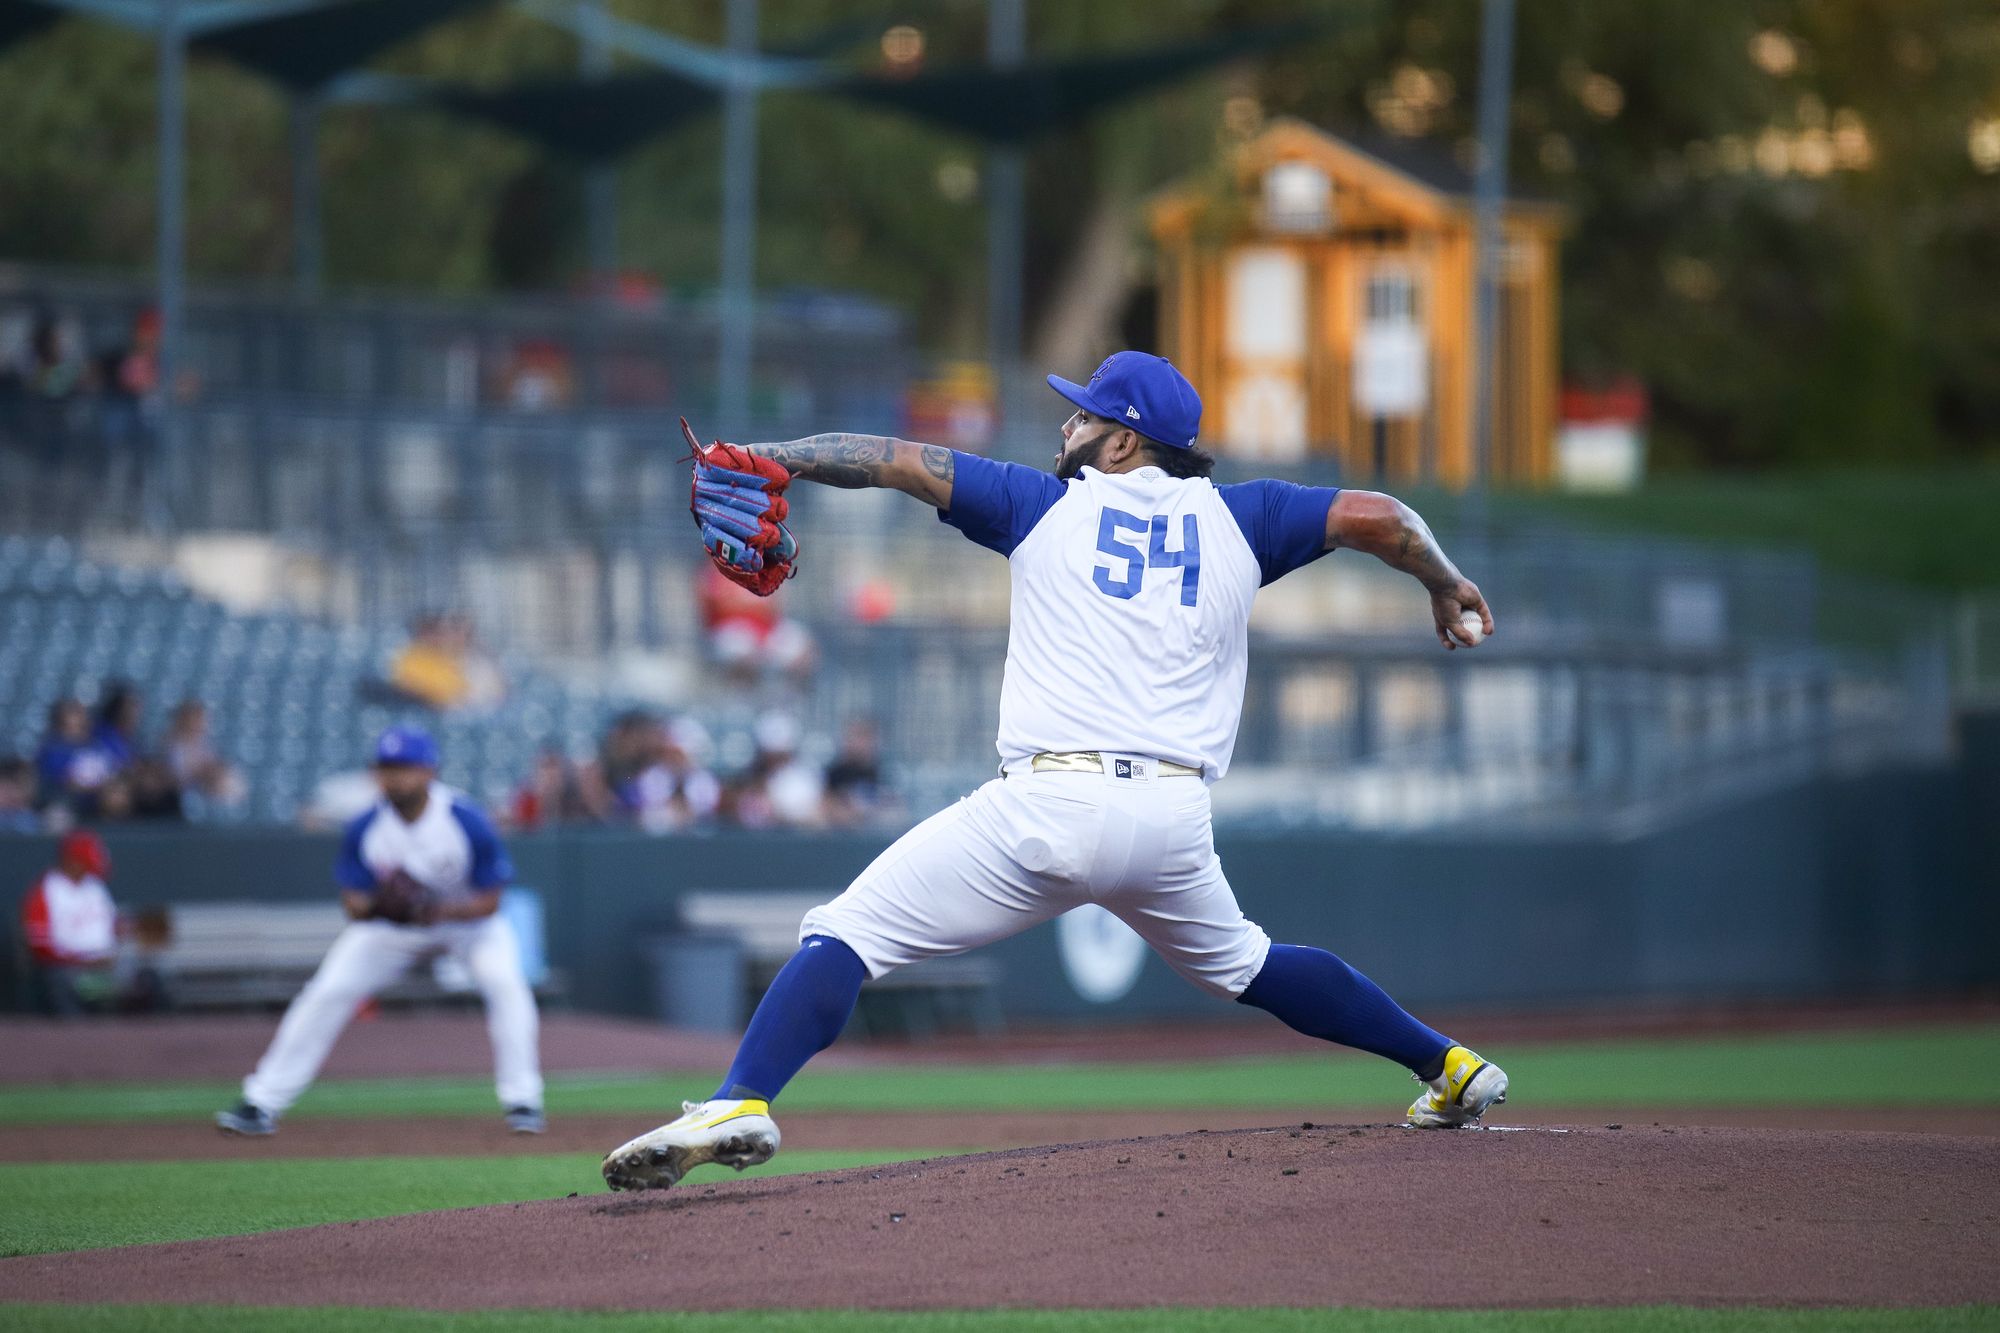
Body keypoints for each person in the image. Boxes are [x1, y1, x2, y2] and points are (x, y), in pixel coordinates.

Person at [602, 351, 1507, 1191]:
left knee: (846, 933)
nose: (1065, 426)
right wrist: (1442, 579)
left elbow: (889, 458)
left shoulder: (1037, 502)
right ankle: (1450, 1065)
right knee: (1253, 964)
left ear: (1122, 439)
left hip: (1049, 804)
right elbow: (1384, 517)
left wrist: (770, 454)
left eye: (1081, 416)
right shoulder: (1249, 517)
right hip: (1171, 821)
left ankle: (743, 1098)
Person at [216, 726, 545, 1137]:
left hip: (468, 927)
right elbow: (353, 903)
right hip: (395, 929)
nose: (395, 777)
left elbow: (491, 901)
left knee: (505, 985)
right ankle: (260, 1102)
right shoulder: (365, 827)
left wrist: (435, 911)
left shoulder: (465, 820)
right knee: (328, 990)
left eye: (404, 767)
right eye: (387, 767)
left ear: (429, 771)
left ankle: (523, 1101)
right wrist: (382, 907)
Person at [20, 830, 119, 1015]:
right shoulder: (46, 890)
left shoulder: (95, 887)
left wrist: (119, 941)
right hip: (69, 971)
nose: (89, 870)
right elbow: (39, 946)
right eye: (86, 864)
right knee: (62, 981)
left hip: (103, 970)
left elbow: (112, 926)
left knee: (143, 979)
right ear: (71, 861)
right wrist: (82, 961)